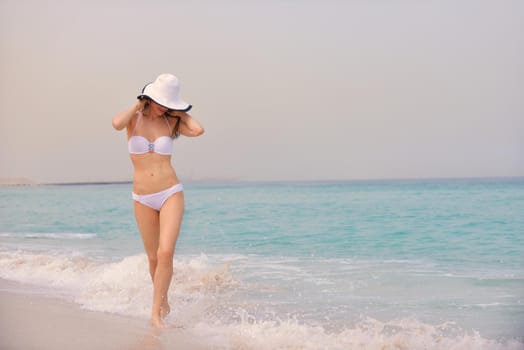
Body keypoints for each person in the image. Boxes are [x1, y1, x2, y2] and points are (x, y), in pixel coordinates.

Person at [112, 73, 204, 328]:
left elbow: (198, 130)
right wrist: (138, 103)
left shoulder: (171, 121)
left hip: (170, 192)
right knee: (153, 258)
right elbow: (116, 123)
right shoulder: (134, 120)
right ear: (149, 97)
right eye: (161, 100)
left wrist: (180, 111)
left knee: (165, 253)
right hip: (142, 197)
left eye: (169, 102)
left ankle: (155, 315)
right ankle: (163, 302)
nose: (164, 105)